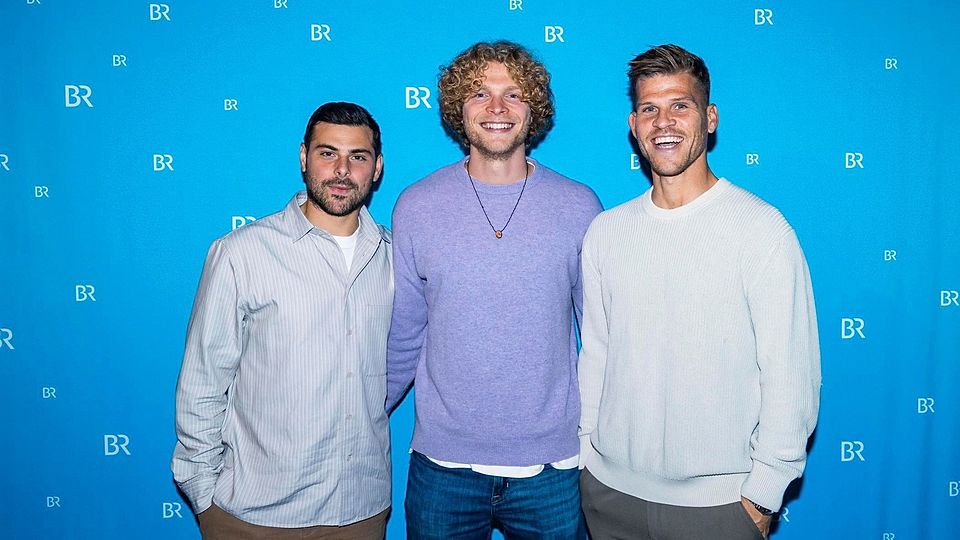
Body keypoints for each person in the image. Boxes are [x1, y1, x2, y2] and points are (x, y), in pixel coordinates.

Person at [578, 44, 821, 540]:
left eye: (679, 105)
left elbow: (791, 376)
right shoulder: (605, 231)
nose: (663, 121)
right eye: (649, 108)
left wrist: (763, 494)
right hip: (608, 494)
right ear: (633, 123)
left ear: (709, 118)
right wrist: (586, 455)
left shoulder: (762, 230)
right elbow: (596, 356)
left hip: (721, 508)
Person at [386, 41, 602, 539]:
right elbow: (402, 334)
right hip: (443, 466)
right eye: (481, 93)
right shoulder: (417, 206)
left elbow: (602, 334)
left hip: (553, 467)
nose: (498, 108)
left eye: (513, 94)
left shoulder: (578, 206)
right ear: (458, 109)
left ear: (534, 109)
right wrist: (358, 419)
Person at [171, 102, 393, 539]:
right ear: (303, 157)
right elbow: (203, 379)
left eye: (358, 157)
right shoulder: (241, 253)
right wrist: (204, 494)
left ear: (377, 167)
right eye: (328, 153)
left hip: (360, 512)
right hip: (252, 515)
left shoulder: (394, 257)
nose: (342, 169)